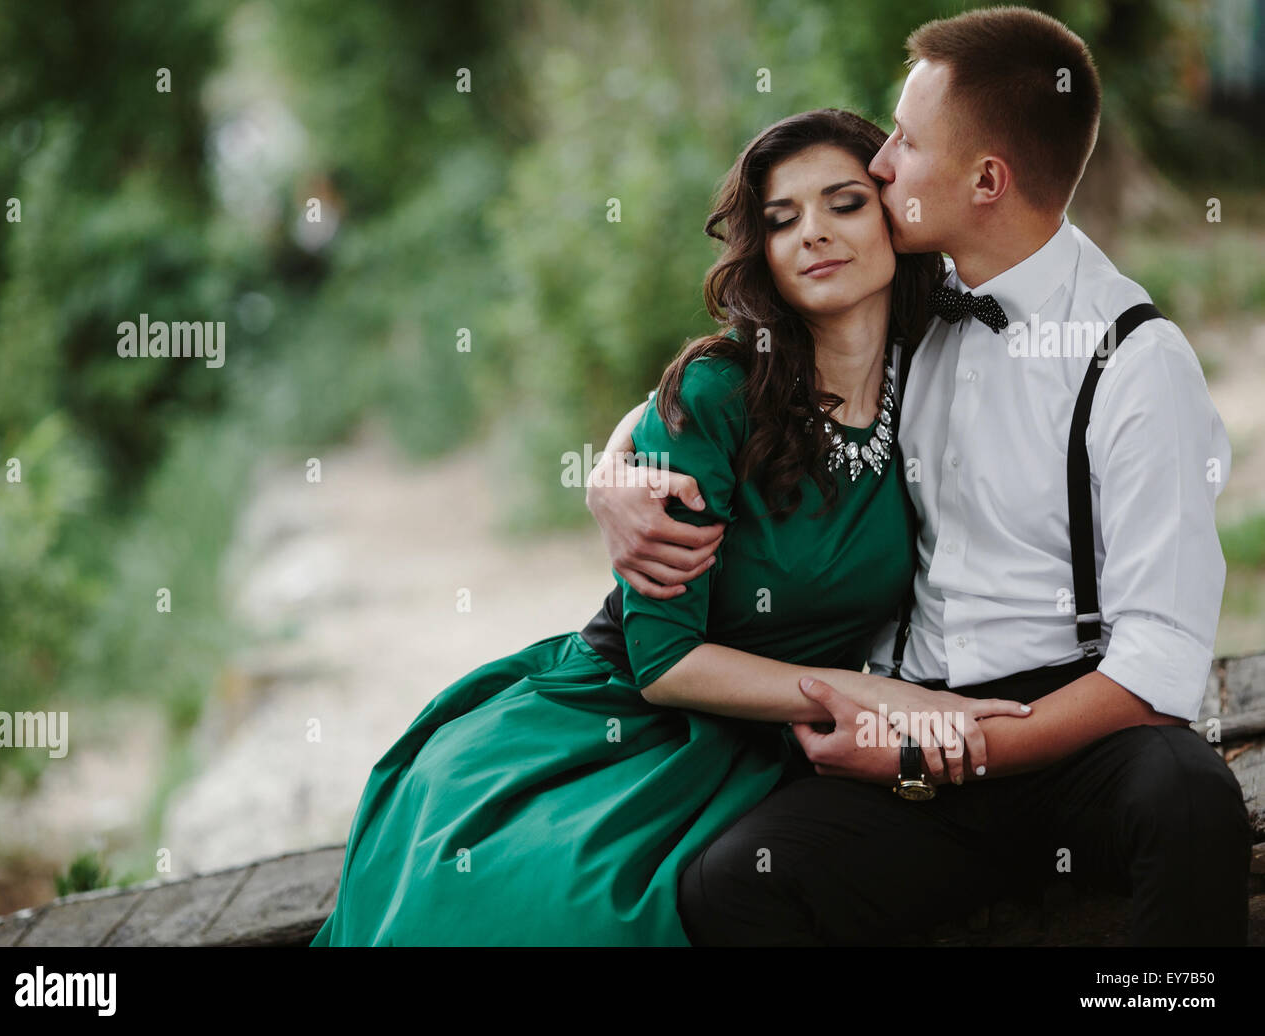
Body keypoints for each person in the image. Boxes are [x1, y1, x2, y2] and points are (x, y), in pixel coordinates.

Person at [587, 6, 1253, 947]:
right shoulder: (911, 311)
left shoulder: (1135, 360)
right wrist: (617, 468)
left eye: (905, 138)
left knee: (1189, 799)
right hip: (913, 740)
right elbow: (748, 378)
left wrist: (958, 745)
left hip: (1070, 732)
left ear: (987, 178)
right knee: (737, 883)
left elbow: (1158, 667)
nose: (883, 162)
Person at [310, 108, 1035, 947]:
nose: (814, 235)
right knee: (554, 910)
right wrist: (879, 696)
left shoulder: (939, 363)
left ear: (891, 214)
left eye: (843, 203)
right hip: (624, 721)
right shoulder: (717, 393)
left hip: (779, 739)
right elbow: (662, 660)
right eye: (782, 219)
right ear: (759, 251)